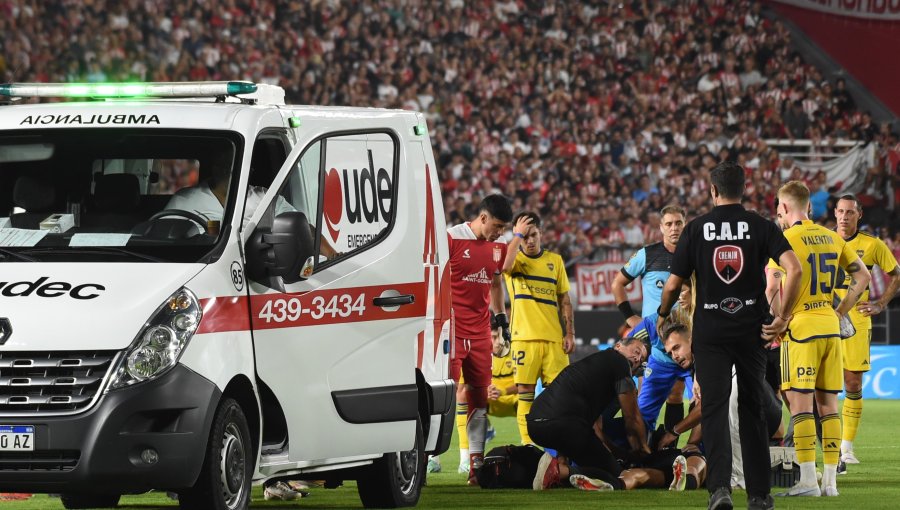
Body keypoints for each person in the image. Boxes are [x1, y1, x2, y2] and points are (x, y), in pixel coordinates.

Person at [657, 161, 802, 510]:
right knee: (752, 409)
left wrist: (663, 314)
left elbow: (674, 284)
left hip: (710, 332)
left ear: (712, 191)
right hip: (752, 331)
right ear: (744, 189)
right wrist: (782, 317)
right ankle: (760, 495)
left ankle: (720, 490)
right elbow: (795, 268)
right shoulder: (760, 225)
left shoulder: (696, 228)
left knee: (715, 411)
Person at [772, 182, 871, 497]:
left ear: (785, 208)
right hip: (830, 327)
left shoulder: (782, 240)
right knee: (829, 407)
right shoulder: (832, 238)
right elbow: (864, 277)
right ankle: (830, 483)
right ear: (809, 207)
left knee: (800, 407)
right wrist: (840, 312)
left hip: (801, 330)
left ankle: (806, 481)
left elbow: (771, 289)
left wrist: (780, 320)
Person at [527, 336, 650, 491]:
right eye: (636, 351)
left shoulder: (593, 368)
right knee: (616, 477)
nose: (637, 358)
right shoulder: (619, 361)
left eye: (642, 358)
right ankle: (561, 472)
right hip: (563, 425)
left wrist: (618, 453)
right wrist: (643, 451)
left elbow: (595, 430)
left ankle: (559, 466)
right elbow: (632, 418)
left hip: (536, 425)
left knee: (595, 455)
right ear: (618, 346)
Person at [447, 194, 512, 484]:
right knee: (444, 397)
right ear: (482, 218)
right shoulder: (449, 239)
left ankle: (476, 466)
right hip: (450, 331)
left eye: (504, 228)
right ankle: (422, 461)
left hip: (480, 332)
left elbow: (496, 283)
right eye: (497, 226)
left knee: (479, 398)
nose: (500, 233)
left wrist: (501, 319)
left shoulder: (498, 248)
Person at [833, 194, 900, 470]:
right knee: (814, 386)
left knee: (853, 384)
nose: (844, 217)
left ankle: (846, 449)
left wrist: (881, 303)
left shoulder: (872, 245)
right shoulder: (823, 240)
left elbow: (896, 274)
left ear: (859, 215)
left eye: (849, 212)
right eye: (840, 211)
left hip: (857, 319)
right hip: (824, 317)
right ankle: (823, 445)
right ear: (835, 213)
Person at [613, 205, 688, 434]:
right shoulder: (648, 254)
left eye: (678, 223)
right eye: (669, 224)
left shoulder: (693, 254)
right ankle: (642, 445)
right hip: (654, 340)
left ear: (684, 225)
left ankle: (672, 448)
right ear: (661, 228)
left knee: (677, 395)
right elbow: (618, 283)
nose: (674, 228)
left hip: (687, 339)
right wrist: (630, 318)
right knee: (646, 397)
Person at [501, 211, 574, 445]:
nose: (529, 241)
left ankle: (558, 448)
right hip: (524, 339)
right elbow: (504, 265)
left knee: (561, 396)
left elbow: (565, 300)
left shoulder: (555, 261)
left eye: (533, 235)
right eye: (524, 237)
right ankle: (528, 446)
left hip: (554, 340)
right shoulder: (515, 260)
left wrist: (569, 332)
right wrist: (516, 235)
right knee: (525, 393)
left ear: (541, 233)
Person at [435, 323, 517, 474]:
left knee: (531, 400)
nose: (493, 341)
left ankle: (531, 449)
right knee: (458, 392)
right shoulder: (474, 350)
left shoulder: (511, 350)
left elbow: (525, 385)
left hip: (513, 401)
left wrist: (503, 390)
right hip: (489, 401)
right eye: (491, 337)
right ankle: (462, 458)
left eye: (495, 337)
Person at [627, 280, 694, 435]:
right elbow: (627, 345)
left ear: (694, 291)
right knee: (643, 411)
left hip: (694, 364)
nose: (679, 298)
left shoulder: (705, 315)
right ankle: (641, 450)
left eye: (683, 292)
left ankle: (698, 451)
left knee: (699, 406)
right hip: (661, 364)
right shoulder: (656, 320)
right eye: (676, 294)